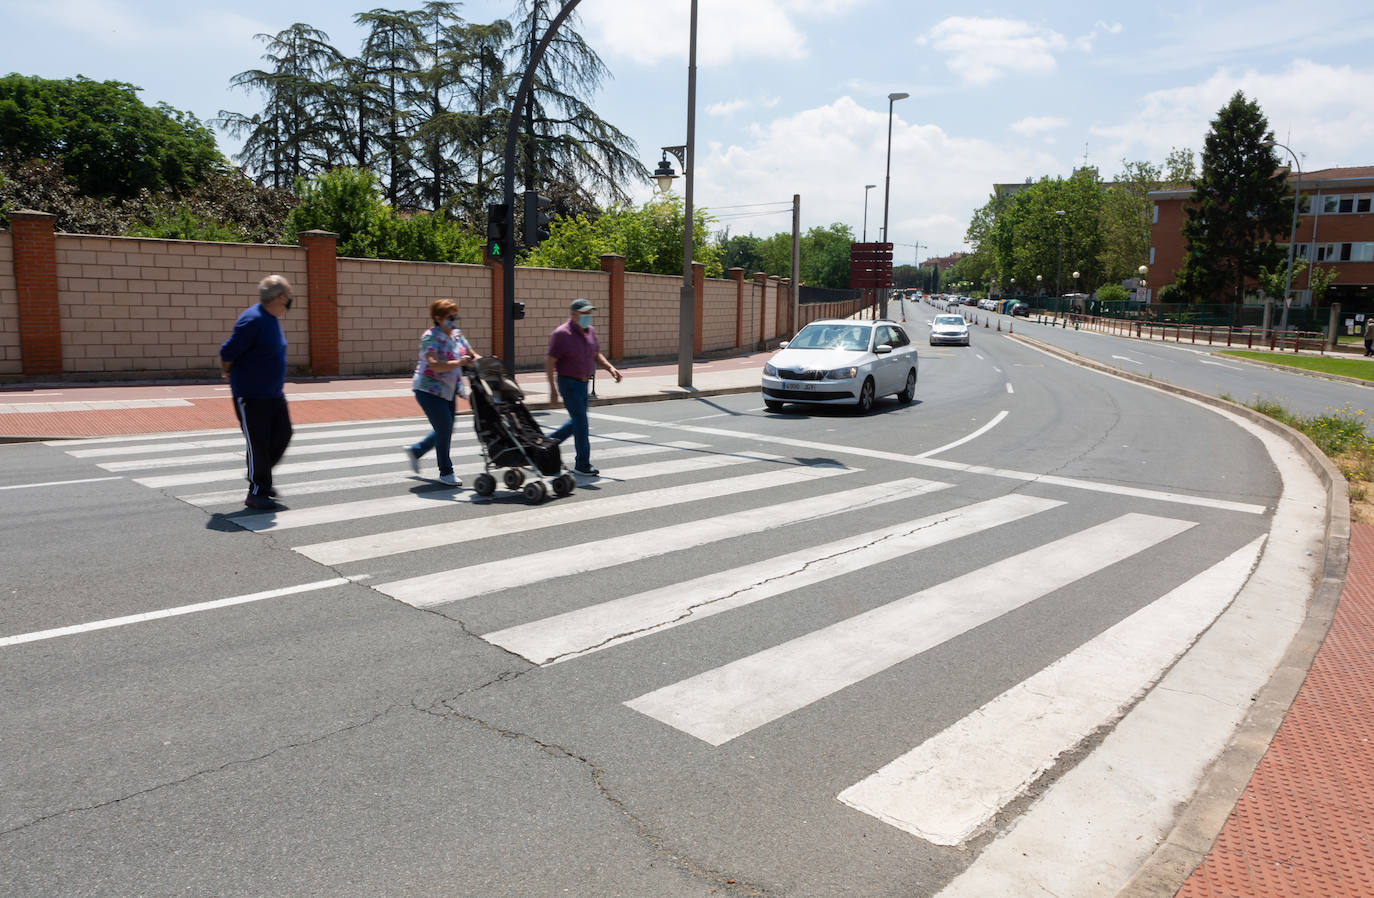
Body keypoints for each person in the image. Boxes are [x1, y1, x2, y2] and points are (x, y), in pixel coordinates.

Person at [220, 274, 295, 510]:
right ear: (280, 296)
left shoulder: (271, 318)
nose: (292, 299)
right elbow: (227, 352)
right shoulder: (252, 320)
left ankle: (260, 475)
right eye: (289, 295)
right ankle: (257, 490)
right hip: (251, 396)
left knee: (283, 435)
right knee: (258, 443)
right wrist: (227, 372)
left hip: (273, 394)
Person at [405, 299, 478, 485]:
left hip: (448, 388)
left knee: (445, 428)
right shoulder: (430, 336)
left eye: (455, 316)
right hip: (428, 389)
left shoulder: (457, 334)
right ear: (437, 318)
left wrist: (487, 362)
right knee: (444, 427)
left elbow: (471, 354)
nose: (453, 320)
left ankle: (417, 450)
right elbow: (434, 364)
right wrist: (459, 363)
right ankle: (446, 472)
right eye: (449, 317)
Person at [545, 298, 621, 476]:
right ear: (573, 314)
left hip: (583, 383)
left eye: (589, 313)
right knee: (581, 425)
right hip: (568, 383)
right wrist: (553, 391)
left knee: (576, 423)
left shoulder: (590, 332)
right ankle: (582, 465)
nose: (588, 316)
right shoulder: (561, 334)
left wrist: (610, 368)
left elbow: (596, 354)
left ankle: (545, 445)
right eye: (584, 313)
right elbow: (550, 362)